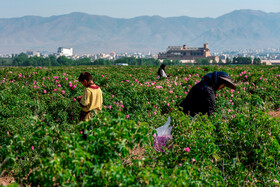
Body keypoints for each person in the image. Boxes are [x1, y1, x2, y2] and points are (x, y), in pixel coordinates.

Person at [76, 72, 103, 139]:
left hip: (88, 117)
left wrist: (79, 99)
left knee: (86, 136)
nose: (83, 85)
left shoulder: (88, 90)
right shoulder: (98, 89)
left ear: (85, 81)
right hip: (97, 116)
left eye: (82, 83)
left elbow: (84, 104)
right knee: (94, 135)